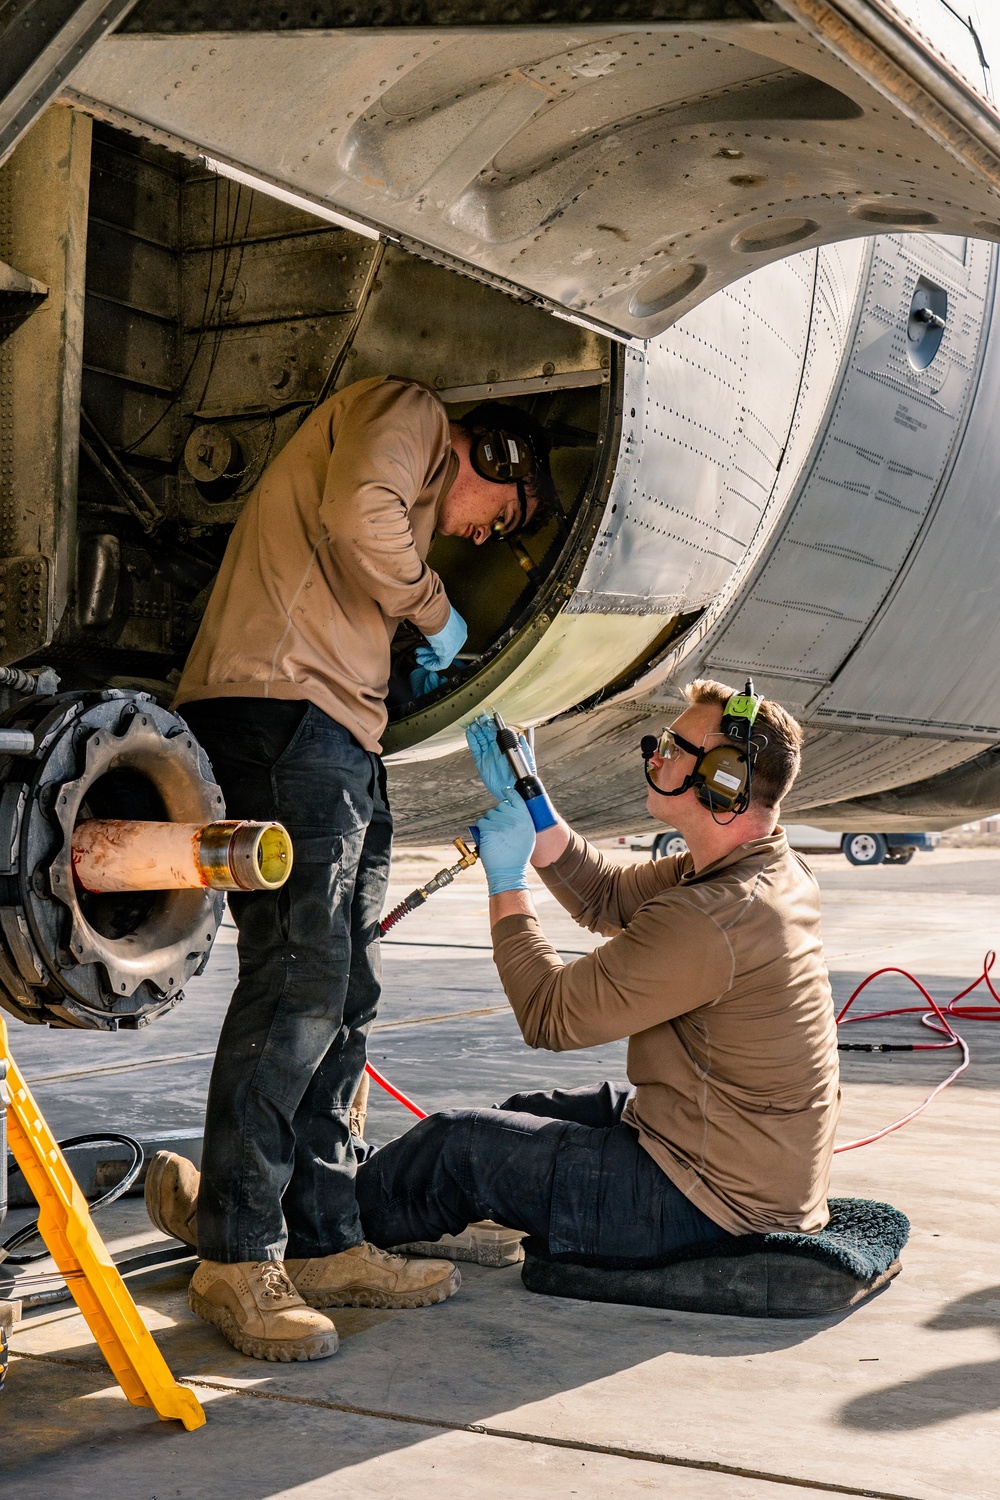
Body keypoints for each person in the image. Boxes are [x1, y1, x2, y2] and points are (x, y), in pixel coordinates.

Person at [146, 376, 556, 1362]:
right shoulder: (408, 412)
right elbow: (355, 513)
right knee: (300, 986)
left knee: (345, 992)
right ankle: (237, 1259)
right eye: (500, 518)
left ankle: (324, 1238)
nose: (480, 540)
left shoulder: (414, 476)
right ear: (487, 458)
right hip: (284, 709)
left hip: (335, 732)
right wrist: (429, 606)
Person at [351, 681, 841, 1264]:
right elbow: (605, 895)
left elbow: (549, 1016)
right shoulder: (756, 870)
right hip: (734, 1157)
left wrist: (506, 882)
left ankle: (319, 1231)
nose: (654, 754)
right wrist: (534, 803)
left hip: (707, 1205)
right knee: (520, 1113)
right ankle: (386, 1205)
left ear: (724, 778)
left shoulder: (715, 916)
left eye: (673, 746)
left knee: (458, 1147)